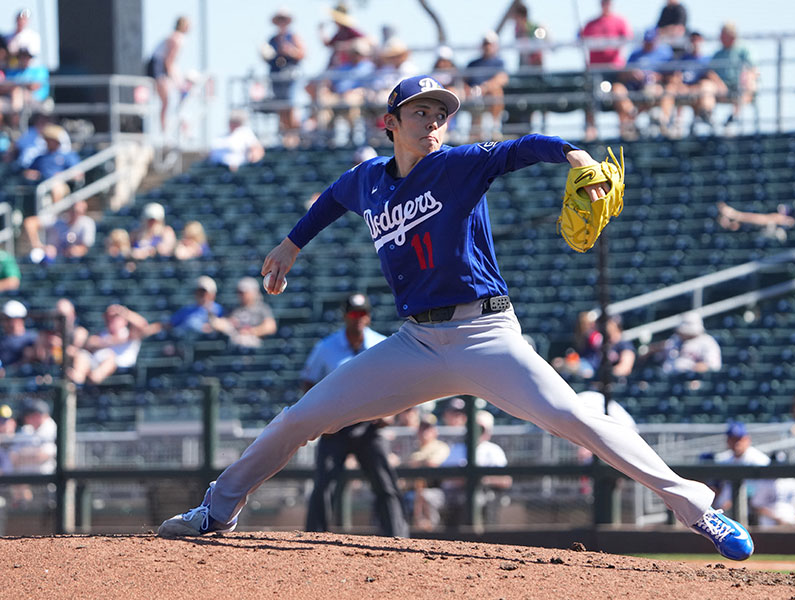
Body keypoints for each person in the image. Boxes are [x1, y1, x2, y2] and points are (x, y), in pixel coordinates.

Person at [158, 74, 754, 562]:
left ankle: (699, 510)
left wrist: (573, 154)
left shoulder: (461, 164)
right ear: (390, 123)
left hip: (486, 334)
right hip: (415, 343)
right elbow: (334, 196)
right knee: (301, 417)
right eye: (422, 112)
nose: (435, 121)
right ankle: (218, 508)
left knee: (576, 416)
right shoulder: (368, 179)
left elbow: (523, 147)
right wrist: (292, 243)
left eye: (441, 113)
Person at [301, 293, 408, 538]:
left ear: (368, 316)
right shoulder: (326, 347)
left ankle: (398, 537)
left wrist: (391, 413)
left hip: (371, 426)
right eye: (353, 313)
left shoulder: (384, 344)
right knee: (324, 484)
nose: (358, 318)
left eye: (362, 313)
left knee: (386, 485)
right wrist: (319, 415)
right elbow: (308, 382)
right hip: (336, 426)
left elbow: (400, 383)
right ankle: (314, 539)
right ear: (345, 316)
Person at [440, 409, 512, 528]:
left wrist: (482, 480)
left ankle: (478, 539)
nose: (477, 431)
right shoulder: (457, 448)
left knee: (476, 499)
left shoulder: (493, 450)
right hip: (453, 493)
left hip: (484, 492)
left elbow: (505, 481)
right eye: (475, 427)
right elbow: (443, 477)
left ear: (488, 431)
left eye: (481, 428)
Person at [717, 166, 795, 231]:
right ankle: (737, 220)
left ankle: (736, 216)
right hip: (791, 217)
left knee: (773, 219)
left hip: (794, 222)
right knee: (769, 215)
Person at [579, 0, 633, 141]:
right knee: (590, 96)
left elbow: (628, 38)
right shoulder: (591, 24)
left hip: (614, 70)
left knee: (619, 91)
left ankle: (625, 129)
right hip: (596, 70)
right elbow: (580, 38)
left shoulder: (620, 21)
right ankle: (591, 131)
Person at [610, 28, 674, 140]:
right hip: (634, 88)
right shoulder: (635, 54)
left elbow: (671, 76)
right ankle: (632, 117)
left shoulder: (665, 54)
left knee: (659, 90)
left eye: (651, 41)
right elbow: (622, 75)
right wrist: (632, 74)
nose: (649, 43)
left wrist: (655, 76)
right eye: (647, 41)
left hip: (654, 88)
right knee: (617, 88)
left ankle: (662, 122)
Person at [662, 31, 728, 136]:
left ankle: (707, 116)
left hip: (697, 90)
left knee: (706, 87)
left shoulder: (706, 59)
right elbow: (676, 76)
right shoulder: (683, 58)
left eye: (697, 40)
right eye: (693, 39)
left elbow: (710, 75)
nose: (695, 42)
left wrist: (720, 85)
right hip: (683, 89)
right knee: (670, 89)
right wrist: (680, 86)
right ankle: (665, 122)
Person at [67, 304, 150, 385]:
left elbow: (143, 325)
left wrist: (124, 312)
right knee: (82, 354)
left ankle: (94, 377)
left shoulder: (129, 333)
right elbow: (91, 343)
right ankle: (78, 379)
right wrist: (110, 341)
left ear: (124, 320)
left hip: (120, 368)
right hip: (97, 364)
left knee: (110, 358)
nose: (112, 321)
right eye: (109, 318)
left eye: (116, 318)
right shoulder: (103, 334)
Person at [262, 7, 305, 143]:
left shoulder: (293, 37)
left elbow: (302, 54)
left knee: (290, 105)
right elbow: (267, 57)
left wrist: (289, 51)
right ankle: (286, 137)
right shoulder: (272, 39)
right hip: (276, 76)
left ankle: (294, 136)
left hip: (290, 75)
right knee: (281, 106)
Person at [404, 412, 451, 530]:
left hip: (437, 489)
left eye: (428, 428)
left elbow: (433, 463)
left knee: (426, 496)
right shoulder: (414, 448)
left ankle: (433, 533)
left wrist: (417, 463)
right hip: (412, 489)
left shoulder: (441, 446)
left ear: (435, 431)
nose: (425, 432)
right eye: (422, 428)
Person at [712, 422, 770, 512]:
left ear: (747, 439)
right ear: (727, 441)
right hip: (724, 509)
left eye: (739, 439)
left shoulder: (759, 460)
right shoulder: (724, 459)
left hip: (754, 508)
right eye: (732, 439)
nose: (736, 443)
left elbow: (762, 490)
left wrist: (732, 502)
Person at [147, 16, 190, 133]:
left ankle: (167, 130)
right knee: (166, 100)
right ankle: (163, 131)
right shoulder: (177, 39)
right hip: (158, 66)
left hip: (160, 66)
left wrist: (177, 79)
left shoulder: (177, 38)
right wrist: (177, 81)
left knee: (168, 100)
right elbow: (169, 61)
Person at [19, 124, 81, 207]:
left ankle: (54, 214)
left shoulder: (67, 155)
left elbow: (78, 175)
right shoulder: (41, 157)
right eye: (46, 139)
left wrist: (62, 176)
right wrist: (34, 174)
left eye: (50, 139)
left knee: (56, 187)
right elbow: (28, 172)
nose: (47, 141)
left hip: (61, 185)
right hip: (41, 185)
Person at [710, 22, 758, 129]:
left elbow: (752, 68)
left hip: (740, 84)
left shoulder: (744, 50)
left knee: (749, 84)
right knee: (706, 88)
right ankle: (711, 121)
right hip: (722, 87)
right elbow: (710, 72)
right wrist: (719, 83)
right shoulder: (718, 54)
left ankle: (734, 116)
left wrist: (746, 77)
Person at [463, 31, 509, 141]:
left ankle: (494, 128)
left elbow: (502, 78)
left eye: (490, 44)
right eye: (485, 43)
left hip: (488, 95)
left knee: (496, 92)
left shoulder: (499, 63)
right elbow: (463, 81)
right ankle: (475, 136)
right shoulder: (472, 64)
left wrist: (484, 88)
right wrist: (470, 90)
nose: (487, 46)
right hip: (473, 97)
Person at [209, 277, 277, 349]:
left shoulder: (262, 308)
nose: (241, 295)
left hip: (253, 341)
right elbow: (222, 323)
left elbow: (271, 326)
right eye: (239, 292)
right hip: (235, 340)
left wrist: (251, 331)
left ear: (253, 292)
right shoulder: (234, 308)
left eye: (244, 292)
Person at [22, 199, 96, 263]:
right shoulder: (58, 219)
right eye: (73, 211)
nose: (75, 214)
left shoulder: (87, 223)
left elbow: (85, 248)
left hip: (74, 261)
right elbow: (30, 223)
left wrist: (74, 251)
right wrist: (38, 245)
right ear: (69, 210)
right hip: (52, 260)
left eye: (79, 212)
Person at [148, 275, 223, 336]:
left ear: (213, 294)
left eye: (204, 293)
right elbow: (169, 324)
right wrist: (149, 329)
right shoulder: (187, 310)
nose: (202, 295)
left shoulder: (219, 310)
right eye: (199, 292)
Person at [0, 300, 38, 371]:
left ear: (19, 319)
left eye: (8, 319)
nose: (4, 322)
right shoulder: (2, 339)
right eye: (4, 318)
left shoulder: (32, 338)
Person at [511, 2, 547, 71]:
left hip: (535, 64)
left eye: (515, 16)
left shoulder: (533, 27)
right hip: (523, 63)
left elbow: (544, 40)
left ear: (520, 16)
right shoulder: (517, 29)